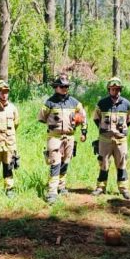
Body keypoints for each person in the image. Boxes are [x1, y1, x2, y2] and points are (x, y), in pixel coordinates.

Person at [38, 73, 88, 204]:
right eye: (61, 86)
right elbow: (42, 118)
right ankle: (52, 192)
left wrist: (83, 131)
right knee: (55, 163)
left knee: (66, 162)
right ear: (56, 87)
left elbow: (83, 116)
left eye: (66, 86)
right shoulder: (49, 102)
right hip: (54, 137)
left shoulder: (75, 103)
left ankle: (61, 186)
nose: (64, 88)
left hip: (70, 138)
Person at [92, 77, 130, 199]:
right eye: (113, 89)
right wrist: (105, 131)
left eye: (118, 89)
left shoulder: (126, 104)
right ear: (109, 90)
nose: (116, 92)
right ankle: (100, 187)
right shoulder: (102, 103)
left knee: (122, 163)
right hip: (105, 140)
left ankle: (123, 189)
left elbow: (129, 120)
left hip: (121, 141)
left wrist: (119, 132)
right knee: (103, 163)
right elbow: (96, 119)